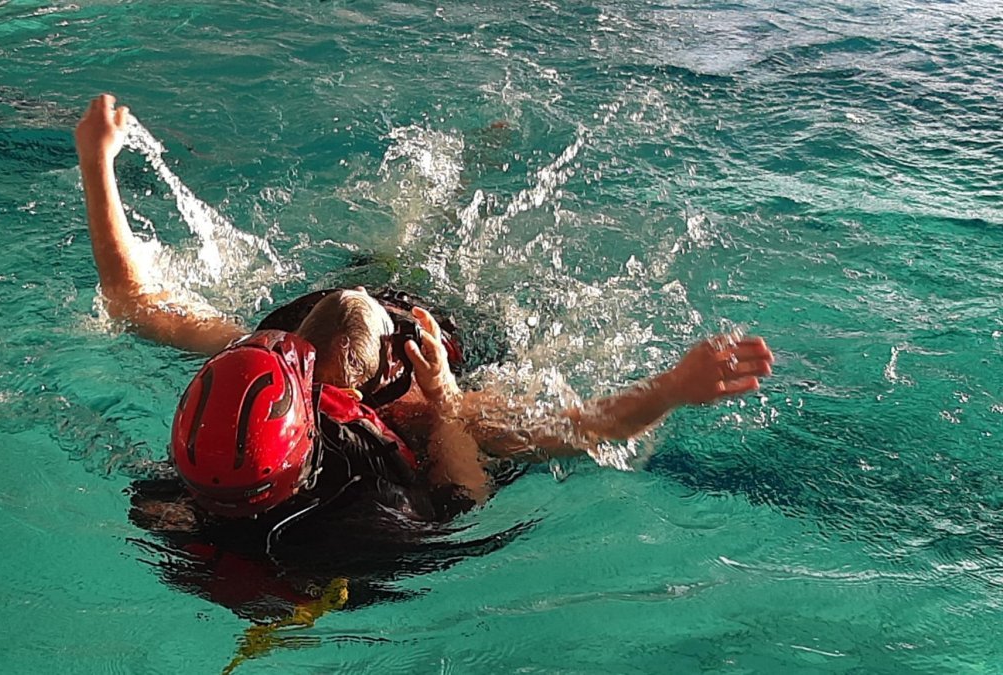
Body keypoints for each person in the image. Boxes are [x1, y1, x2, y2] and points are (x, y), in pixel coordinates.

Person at [74, 92, 776, 529]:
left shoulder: (259, 363)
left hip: (372, 302)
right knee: (416, 256)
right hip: (433, 318)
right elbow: (581, 427)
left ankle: (460, 181)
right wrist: (670, 388)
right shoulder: (425, 405)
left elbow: (136, 299)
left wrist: (96, 160)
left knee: (402, 254)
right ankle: (463, 180)